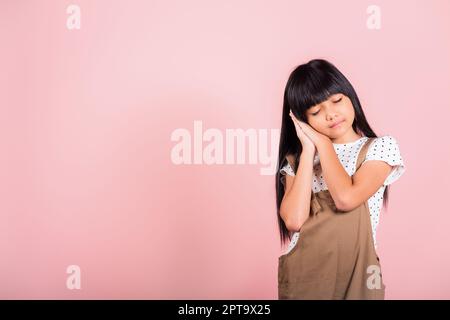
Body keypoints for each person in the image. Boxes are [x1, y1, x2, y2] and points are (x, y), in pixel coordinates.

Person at [275, 59, 406, 299]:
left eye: (336, 100)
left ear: (350, 96)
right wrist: (308, 151)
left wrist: (323, 144)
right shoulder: (296, 161)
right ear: (302, 120)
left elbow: (346, 198)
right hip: (305, 277)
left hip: (359, 276)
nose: (330, 114)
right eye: (315, 111)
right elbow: (294, 220)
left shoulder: (379, 148)